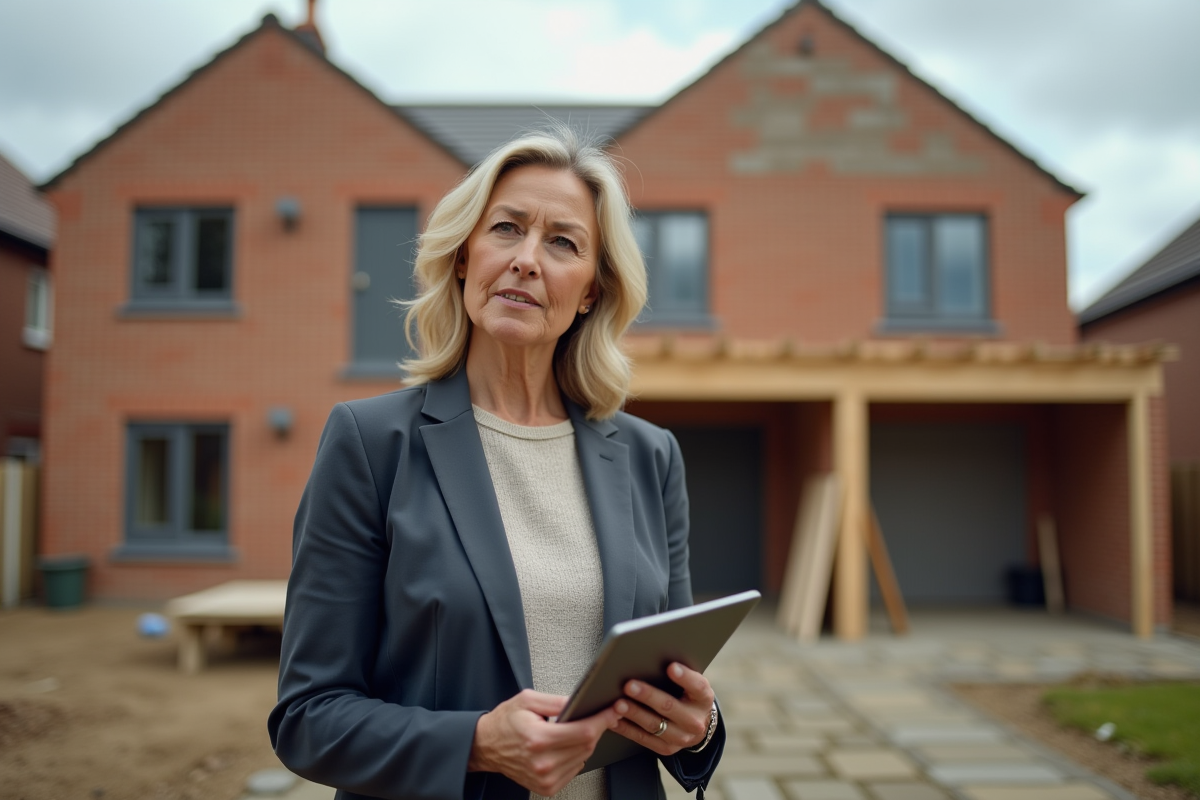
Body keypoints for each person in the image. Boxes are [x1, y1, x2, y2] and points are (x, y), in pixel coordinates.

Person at [268, 127, 724, 800]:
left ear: (592, 292)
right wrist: (476, 746)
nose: (527, 260)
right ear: (463, 257)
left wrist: (701, 726)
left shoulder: (650, 455)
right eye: (507, 229)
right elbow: (307, 719)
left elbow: (675, 682)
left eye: (562, 242)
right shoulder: (369, 443)